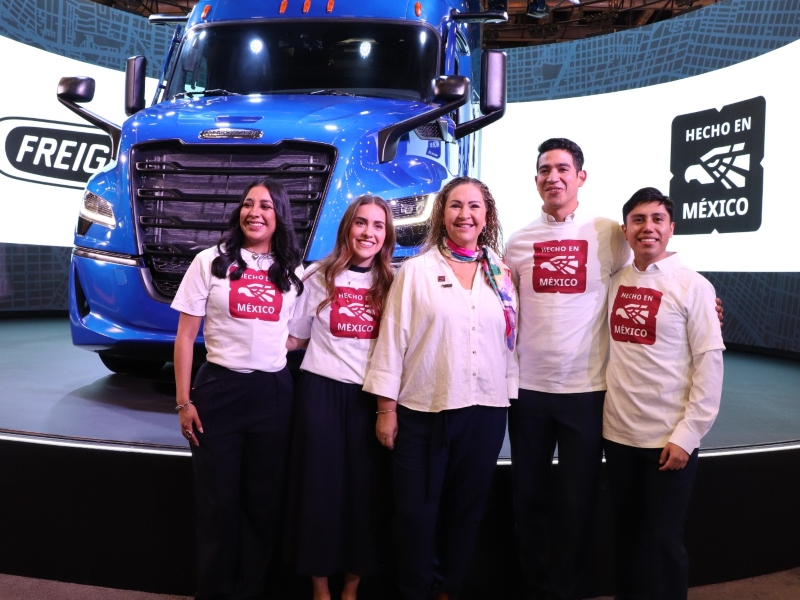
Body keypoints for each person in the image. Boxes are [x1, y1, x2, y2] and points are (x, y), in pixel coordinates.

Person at [363, 176, 518, 600]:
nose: (464, 214)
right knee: (415, 514)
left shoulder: (502, 273)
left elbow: (509, 343)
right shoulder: (415, 271)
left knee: (464, 514)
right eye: (455, 206)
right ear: (441, 214)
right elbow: (392, 341)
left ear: (487, 216)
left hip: (485, 410)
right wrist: (386, 410)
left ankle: (448, 589)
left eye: (473, 206)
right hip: (422, 410)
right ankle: (415, 590)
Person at [503, 138, 630, 600]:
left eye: (562, 169)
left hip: (586, 389)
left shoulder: (609, 234)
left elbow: (646, 274)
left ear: (580, 176)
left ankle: (568, 590)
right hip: (529, 392)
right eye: (544, 170)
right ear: (536, 179)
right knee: (529, 498)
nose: (552, 177)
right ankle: (535, 587)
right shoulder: (518, 242)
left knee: (578, 501)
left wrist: (702, 301)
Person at [171, 179, 304, 600]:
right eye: (248, 204)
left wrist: (271, 346)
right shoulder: (210, 262)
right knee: (218, 507)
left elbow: (294, 335)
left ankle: (252, 592)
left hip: (274, 395)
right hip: (219, 393)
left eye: (265, 205)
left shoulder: (293, 271)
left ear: (279, 215)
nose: (255, 212)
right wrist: (183, 401)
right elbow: (185, 336)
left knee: (263, 507)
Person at [603, 187, 724, 599]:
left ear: (672, 228)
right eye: (638, 220)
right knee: (626, 538)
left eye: (657, 219)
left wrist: (687, 436)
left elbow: (710, 365)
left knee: (663, 542)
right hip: (618, 437)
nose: (647, 228)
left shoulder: (694, 287)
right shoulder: (614, 281)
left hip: (668, 440)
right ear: (625, 229)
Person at [284, 195, 396, 600]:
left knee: (364, 496)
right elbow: (295, 338)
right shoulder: (318, 276)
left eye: (378, 226)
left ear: (387, 235)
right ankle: (319, 588)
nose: (369, 232)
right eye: (361, 223)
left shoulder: (393, 283)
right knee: (320, 492)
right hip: (321, 395)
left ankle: (351, 588)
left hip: (370, 401)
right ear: (348, 227)